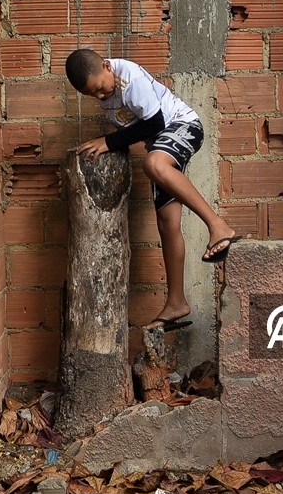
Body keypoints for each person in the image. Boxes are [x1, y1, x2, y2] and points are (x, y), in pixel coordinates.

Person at [65, 49, 239, 332]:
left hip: (183, 126)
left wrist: (108, 142)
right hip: (161, 141)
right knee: (167, 222)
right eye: (91, 95)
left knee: (154, 164)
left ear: (107, 67)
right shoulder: (107, 90)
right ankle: (177, 302)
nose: (99, 97)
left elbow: (156, 123)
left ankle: (218, 226)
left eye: (99, 89)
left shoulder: (129, 78)